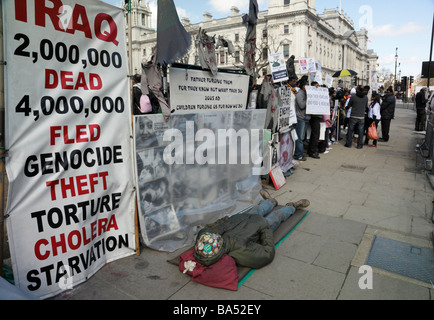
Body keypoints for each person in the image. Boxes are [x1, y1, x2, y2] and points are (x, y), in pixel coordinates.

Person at [193, 190, 310, 269]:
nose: (215, 234)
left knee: (258, 209)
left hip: (243, 219)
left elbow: (211, 226)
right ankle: (293, 206)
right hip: (260, 227)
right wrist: (265, 229)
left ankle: (270, 201)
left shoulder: (205, 237)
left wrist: (226, 219)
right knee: (277, 216)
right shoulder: (239, 251)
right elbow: (267, 254)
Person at [294, 81, 309, 161]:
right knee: (299, 138)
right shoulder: (300, 94)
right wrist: (309, 100)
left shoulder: (305, 94)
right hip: (300, 118)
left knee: (302, 137)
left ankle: (300, 153)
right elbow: (302, 105)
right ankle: (298, 155)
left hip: (305, 118)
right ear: (303, 87)